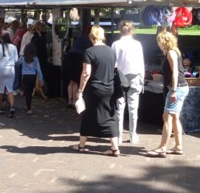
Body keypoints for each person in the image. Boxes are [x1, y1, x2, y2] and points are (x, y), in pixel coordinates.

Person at [74, 25, 119, 156]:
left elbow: (85, 73)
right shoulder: (111, 51)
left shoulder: (89, 52)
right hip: (109, 88)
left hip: (94, 89)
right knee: (110, 117)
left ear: (91, 37)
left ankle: (81, 146)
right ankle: (115, 148)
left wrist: (80, 90)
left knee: (88, 115)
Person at [146, 31, 188, 157]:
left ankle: (162, 147)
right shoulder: (176, 51)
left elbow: (175, 73)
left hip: (178, 88)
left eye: (159, 42)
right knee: (175, 117)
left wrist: (174, 90)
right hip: (182, 87)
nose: (158, 44)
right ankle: (178, 146)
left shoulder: (170, 53)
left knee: (167, 117)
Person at [111, 21, 145, 144]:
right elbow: (141, 63)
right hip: (135, 76)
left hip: (120, 76)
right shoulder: (137, 44)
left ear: (121, 30)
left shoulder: (115, 44)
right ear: (132, 30)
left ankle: (118, 136)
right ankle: (132, 135)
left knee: (119, 108)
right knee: (133, 108)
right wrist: (142, 78)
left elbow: (113, 62)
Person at [62, 28, 91, 108]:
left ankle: (69, 101)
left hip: (70, 56)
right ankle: (74, 101)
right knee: (76, 82)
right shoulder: (89, 40)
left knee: (71, 82)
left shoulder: (79, 38)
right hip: (78, 58)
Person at [0, 32, 19, 117]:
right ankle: (11, 107)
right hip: (10, 68)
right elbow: (16, 60)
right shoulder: (13, 47)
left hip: (0, 69)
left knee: (0, 90)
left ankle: (0, 108)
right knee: (10, 89)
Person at [19, 43, 44, 115]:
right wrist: (41, 79)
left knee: (27, 92)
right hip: (32, 76)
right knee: (30, 91)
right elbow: (39, 70)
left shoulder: (23, 58)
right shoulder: (35, 59)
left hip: (25, 76)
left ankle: (28, 107)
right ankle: (29, 107)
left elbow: (17, 63)